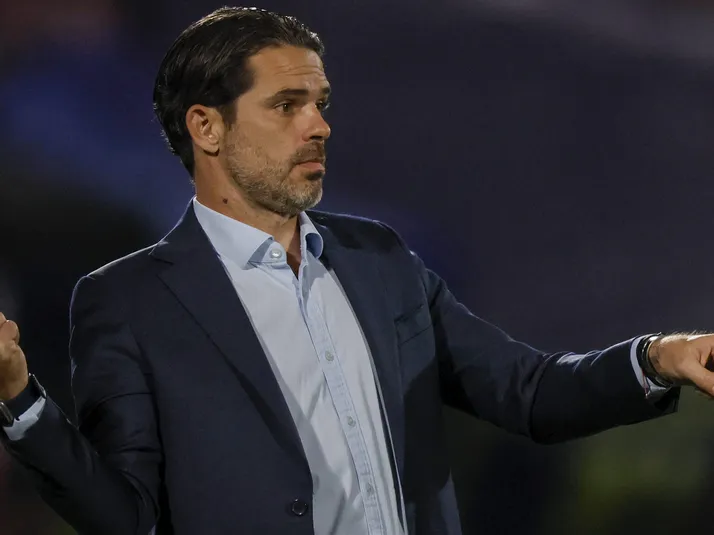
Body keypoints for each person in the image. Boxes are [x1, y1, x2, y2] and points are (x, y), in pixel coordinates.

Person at [0, 6, 712, 535]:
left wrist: (659, 357)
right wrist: (19, 401)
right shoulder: (127, 299)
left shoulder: (382, 258)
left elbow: (526, 392)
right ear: (206, 128)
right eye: (287, 107)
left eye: (319, 105)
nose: (318, 127)